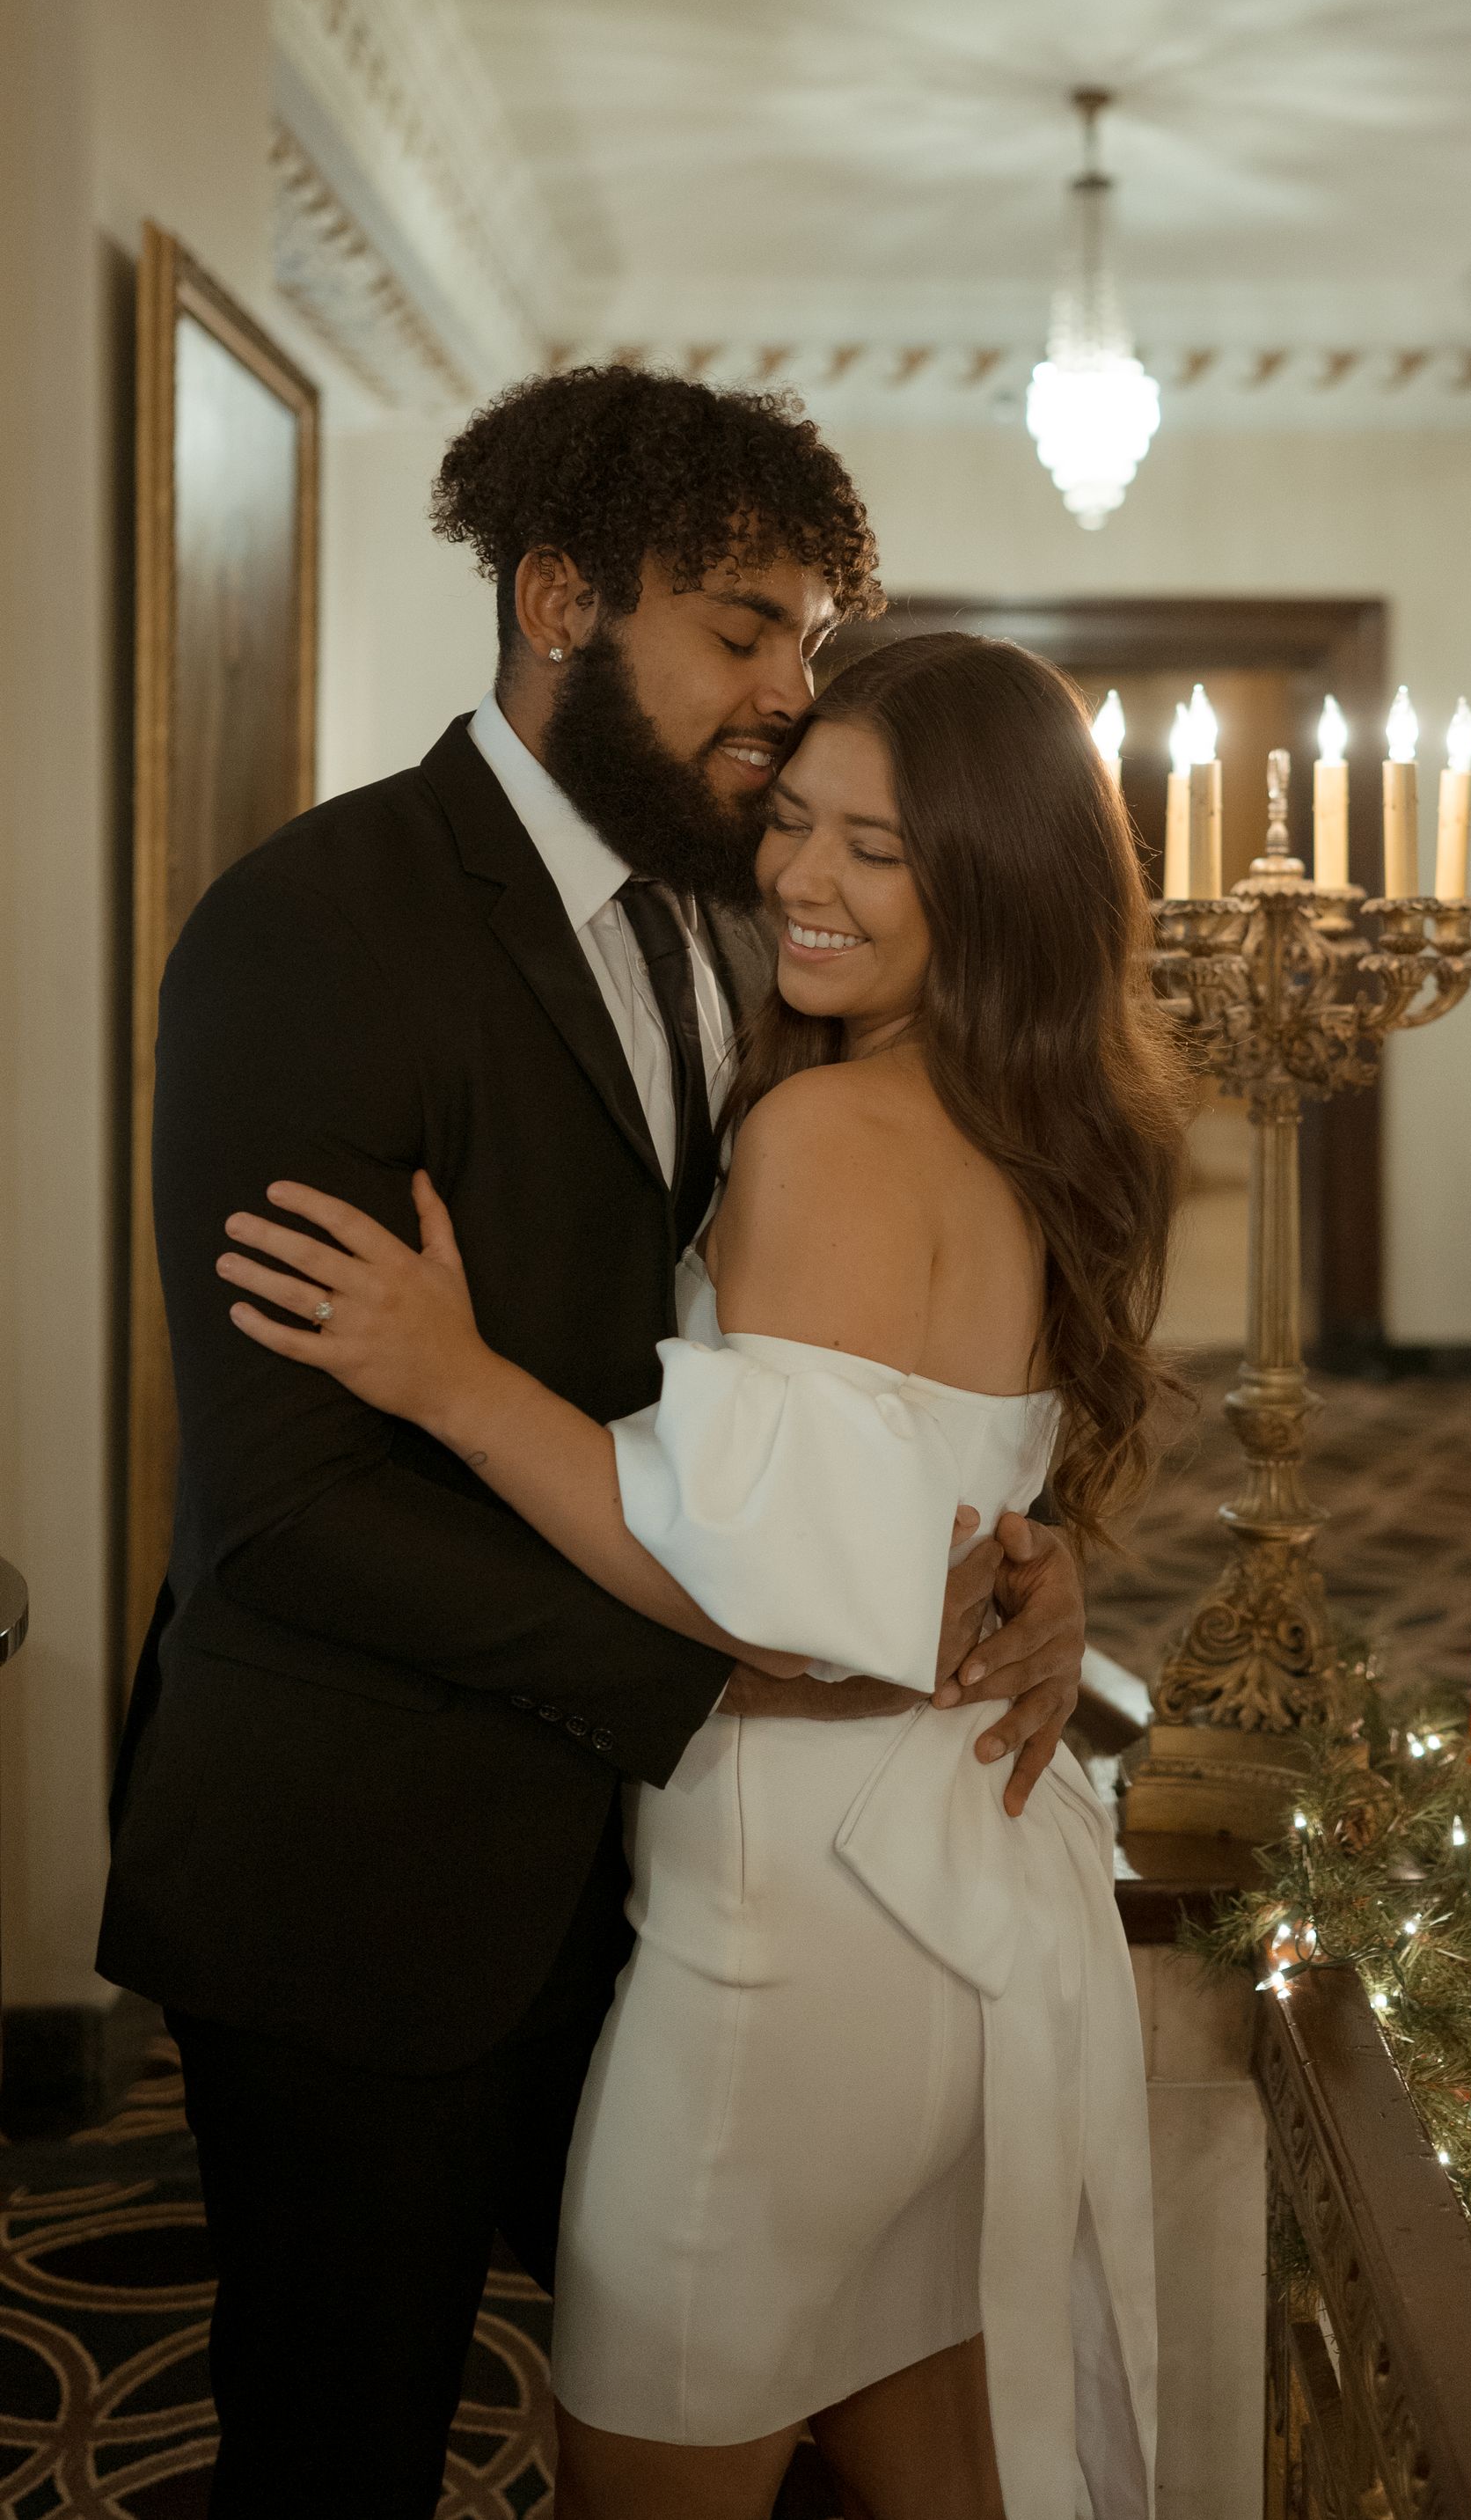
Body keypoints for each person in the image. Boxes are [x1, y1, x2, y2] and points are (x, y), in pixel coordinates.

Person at [97, 372, 1090, 2520]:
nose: (783, 697)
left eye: (809, 645)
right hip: (371, 1874)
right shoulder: (313, 927)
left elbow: (841, 1368)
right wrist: (741, 1658)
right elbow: (284, 1513)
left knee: (758, 2401)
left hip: (664, 1892)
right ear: (556, 595)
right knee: (341, 2456)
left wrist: (1018, 1548)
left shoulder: (762, 911)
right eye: (741, 630)